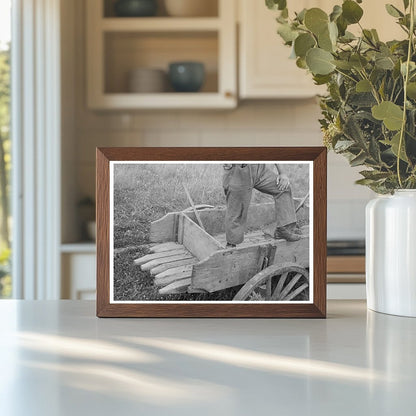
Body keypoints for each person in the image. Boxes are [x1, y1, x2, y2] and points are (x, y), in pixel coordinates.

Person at [223, 164, 301, 247]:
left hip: (258, 168)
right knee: (237, 210)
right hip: (239, 170)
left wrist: (282, 173)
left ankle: (284, 229)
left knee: (284, 187)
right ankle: (231, 246)